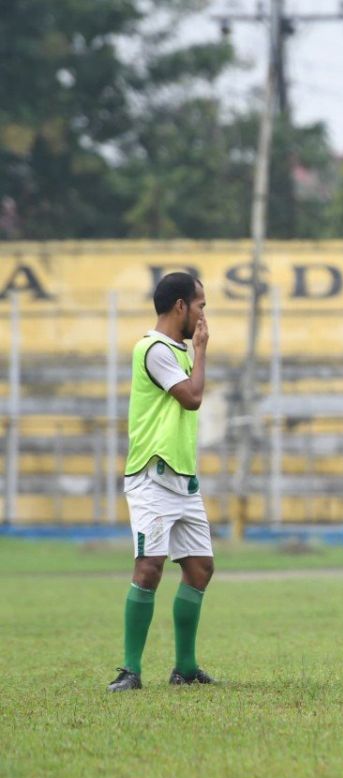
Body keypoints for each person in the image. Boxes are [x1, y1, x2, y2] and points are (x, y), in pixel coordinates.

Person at [108, 272, 215, 692]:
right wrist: (203, 352)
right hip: (152, 476)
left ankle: (184, 668)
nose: (204, 315)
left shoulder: (176, 350)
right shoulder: (153, 349)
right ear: (179, 306)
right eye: (201, 305)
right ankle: (129, 670)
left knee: (200, 567)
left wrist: (197, 352)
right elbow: (191, 397)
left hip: (182, 478)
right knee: (150, 566)